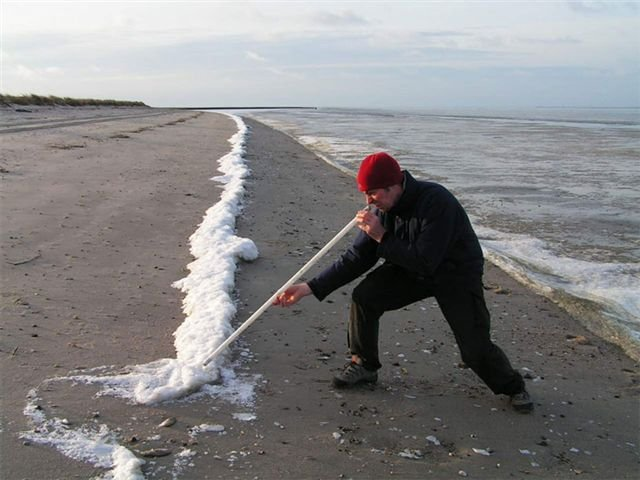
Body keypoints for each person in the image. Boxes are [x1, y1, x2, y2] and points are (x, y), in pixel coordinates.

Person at [273, 152, 533, 413]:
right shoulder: (382, 209)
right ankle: (364, 365)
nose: (368, 201)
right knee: (365, 296)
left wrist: (381, 235)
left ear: (392, 186)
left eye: (372, 193)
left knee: (474, 349)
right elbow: (356, 258)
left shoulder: (437, 201)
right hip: (410, 268)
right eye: (365, 194)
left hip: (455, 273)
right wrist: (308, 287)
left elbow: (425, 260)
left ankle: (513, 387)